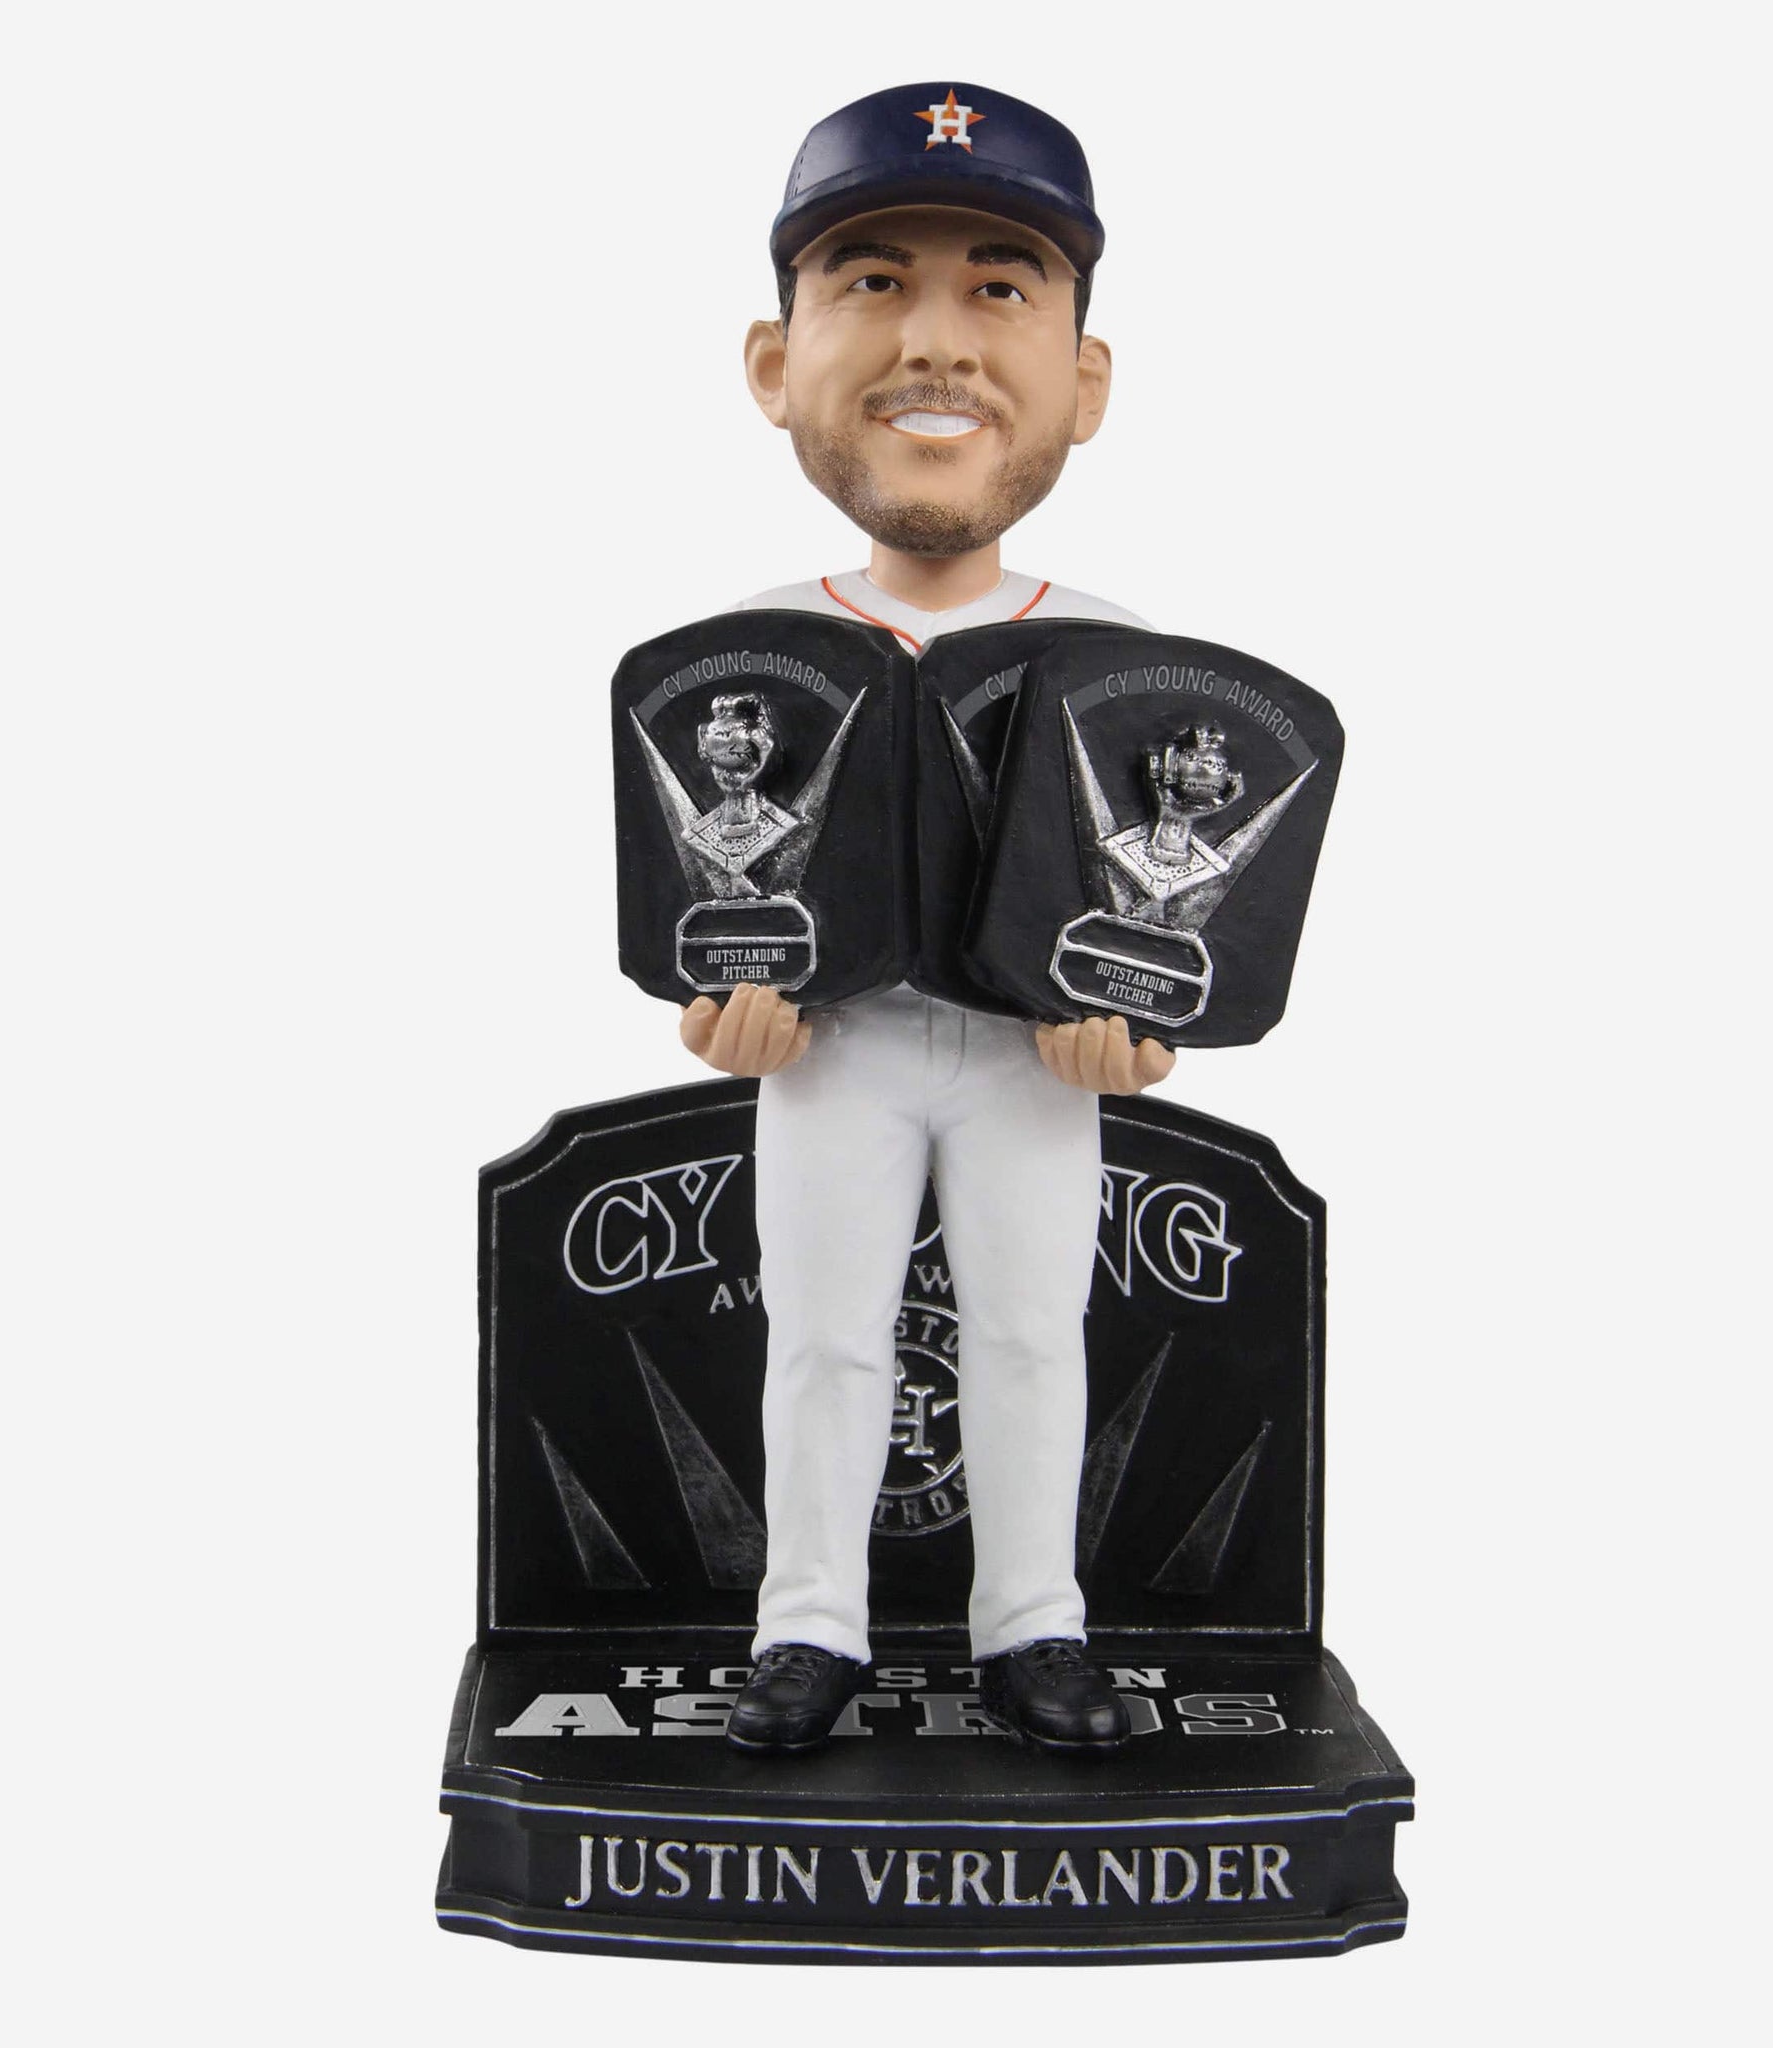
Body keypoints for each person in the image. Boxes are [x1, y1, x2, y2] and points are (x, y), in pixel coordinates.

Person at [674, 84, 1173, 1752]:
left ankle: (1033, 1626)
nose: (939, 337)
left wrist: (1139, 1025)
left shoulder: (1112, 650)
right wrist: (723, 1004)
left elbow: (1156, 893)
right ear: (777, 360)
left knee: (1032, 1333)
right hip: (842, 1046)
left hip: (1031, 1052)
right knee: (823, 1336)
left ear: (1083, 379)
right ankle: (809, 1626)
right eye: (875, 281)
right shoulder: (756, 649)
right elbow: (709, 901)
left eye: (1000, 288)